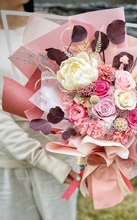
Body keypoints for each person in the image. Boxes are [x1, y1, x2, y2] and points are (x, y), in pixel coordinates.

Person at [0, 1, 80, 220]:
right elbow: (1, 124)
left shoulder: (55, 30)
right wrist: (49, 164)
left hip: (61, 158)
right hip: (7, 164)